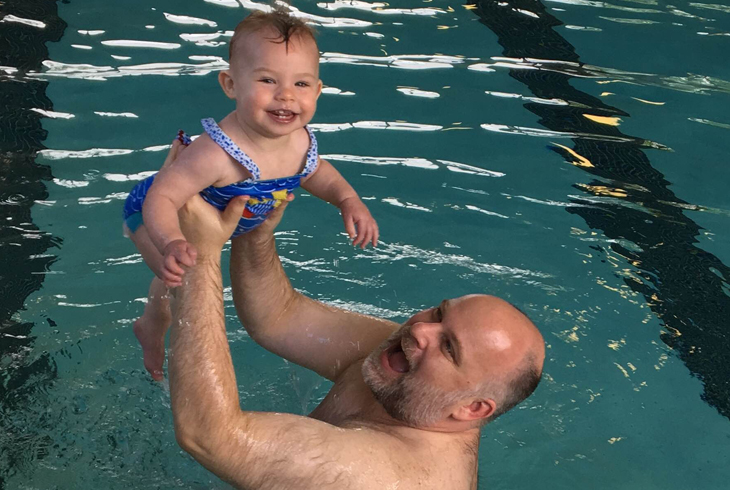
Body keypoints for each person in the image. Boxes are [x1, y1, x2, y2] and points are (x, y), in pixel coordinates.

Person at [163, 138, 546, 489]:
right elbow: (278, 317)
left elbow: (211, 436)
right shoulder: (401, 365)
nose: (421, 331)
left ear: (472, 408)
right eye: (439, 313)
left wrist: (200, 254)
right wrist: (252, 224)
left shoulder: (383, 476)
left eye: (448, 347)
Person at [123, 9, 378, 380]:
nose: (286, 95)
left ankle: (156, 315)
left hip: (219, 225)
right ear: (231, 85)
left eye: (302, 84)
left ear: (319, 90)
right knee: (181, 285)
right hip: (156, 218)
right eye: (267, 80)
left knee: (180, 282)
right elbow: (161, 197)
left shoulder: (299, 141)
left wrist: (348, 200)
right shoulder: (216, 153)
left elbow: (316, 172)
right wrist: (171, 241)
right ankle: (150, 328)